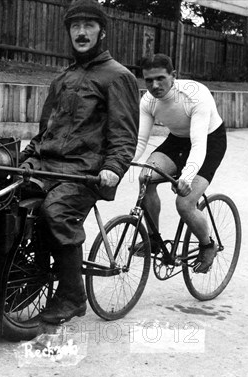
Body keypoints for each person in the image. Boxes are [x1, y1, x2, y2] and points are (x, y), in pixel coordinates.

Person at [19, 0, 139, 324]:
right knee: (2, 202)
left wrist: (113, 169)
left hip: (84, 173)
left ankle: (72, 296)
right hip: (46, 164)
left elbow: (124, 136)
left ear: (102, 32)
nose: (81, 32)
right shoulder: (63, 78)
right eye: (75, 26)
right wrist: (26, 156)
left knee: (55, 212)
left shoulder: (118, 77)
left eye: (88, 26)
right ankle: (26, 278)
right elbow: (45, 130)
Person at [133, 53, 227, 273]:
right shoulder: (148, 101)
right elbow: (139, 141)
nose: (154, 85)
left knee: (184, 203)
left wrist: (186, 177)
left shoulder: (195, 95)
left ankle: (207, 244)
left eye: (160, 78)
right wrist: (118, 165)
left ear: (173, 76)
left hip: (208, 141)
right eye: (148, 80)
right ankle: (154, 240)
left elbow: (198, 144)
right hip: (177, 141)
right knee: (145, 178)